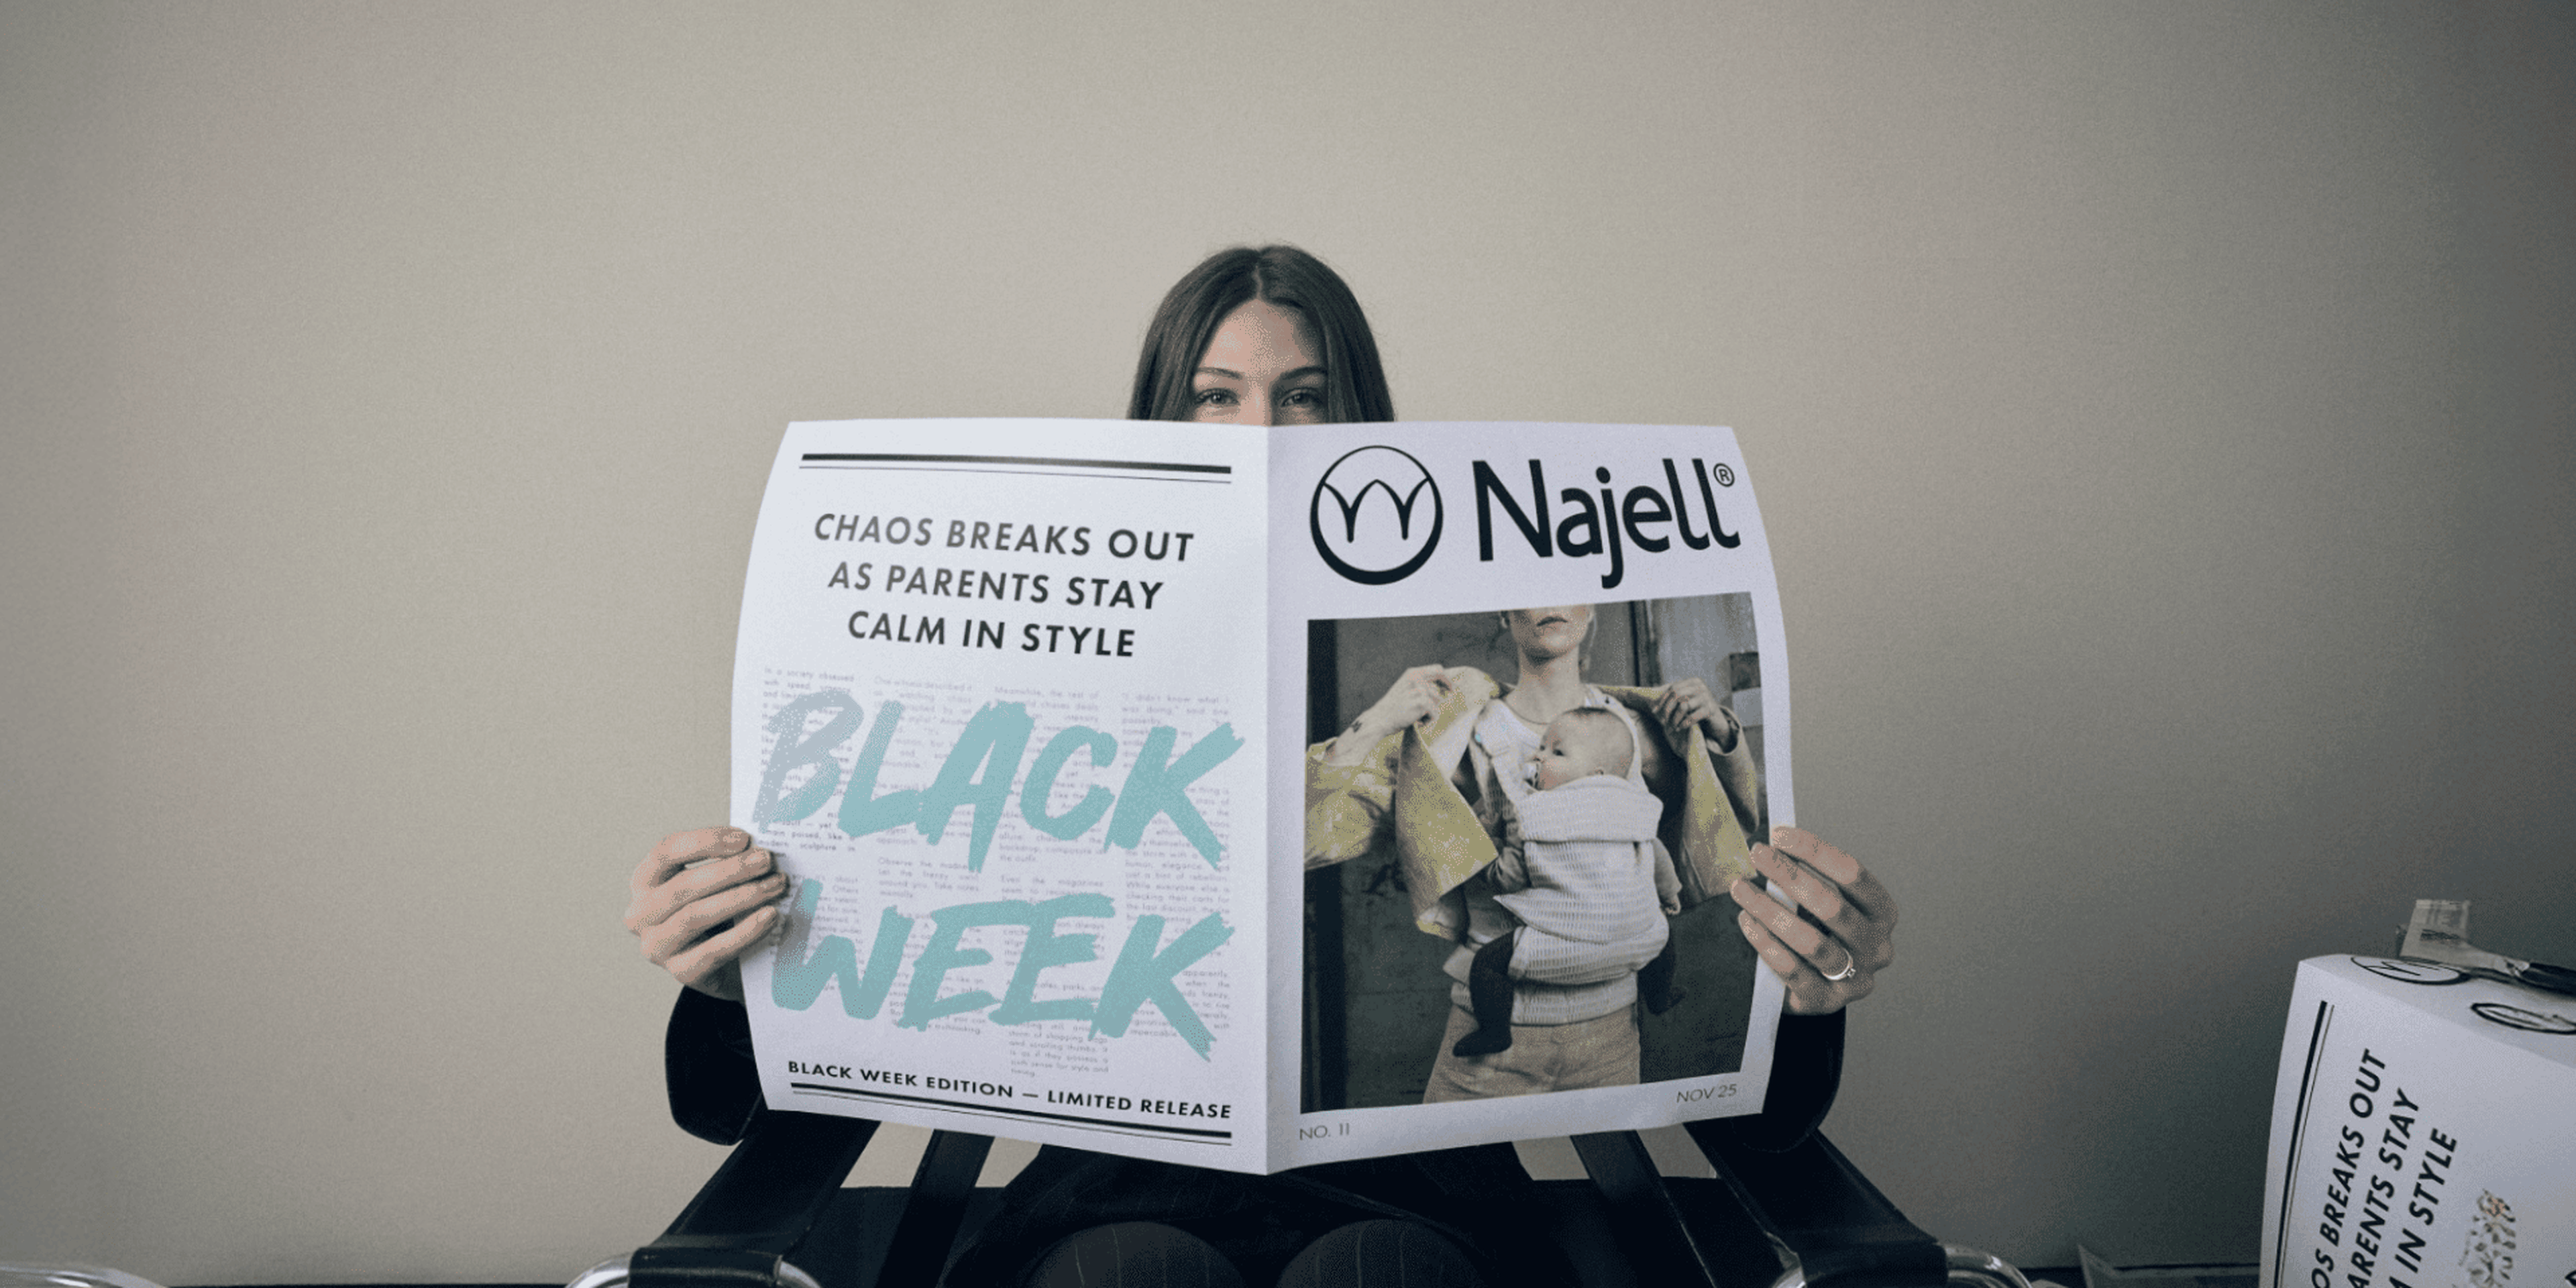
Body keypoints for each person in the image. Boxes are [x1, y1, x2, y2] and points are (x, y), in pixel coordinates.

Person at [624, 245, 1898, 1287]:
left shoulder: (1551, 724)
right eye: (1215, 394)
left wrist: (1817, 982)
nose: (1259, 428)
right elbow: (739, 1101)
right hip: (1107, 1192)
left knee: (1379, 1272)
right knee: (1130, 1273)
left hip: (1423, 1190)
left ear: (1360, 424)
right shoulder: (1036, 669)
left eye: (1303, 395)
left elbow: (1751, 1081)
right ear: (1162, 418)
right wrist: (730, 977)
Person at [1455, 705, 1684, 1061]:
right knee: (1663, 936)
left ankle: (1494, 1032)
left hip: (1566, 944)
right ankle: (1659, 995)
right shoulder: (1634, 806)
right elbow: (1656, 856)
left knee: (1487, 964)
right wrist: (1669, 894)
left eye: (1556, 752)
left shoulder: (1531, 812)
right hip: (1637, 940)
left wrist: (1489, 847)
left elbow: (1509, 878)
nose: (1538, 756)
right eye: (1541, 747)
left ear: (1596, 773)